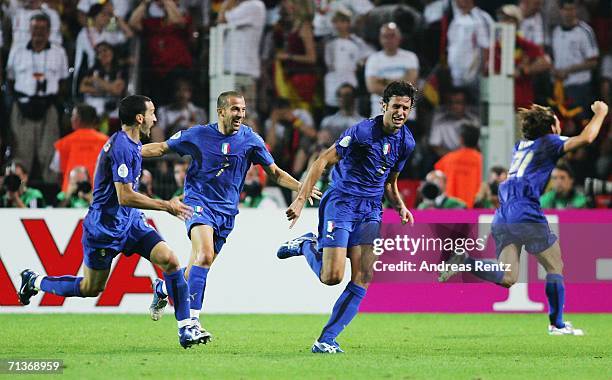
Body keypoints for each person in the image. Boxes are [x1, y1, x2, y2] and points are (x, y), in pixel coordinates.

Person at [18, 95, 205, 349]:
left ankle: (186, 329)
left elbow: (140, 168)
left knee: (170, 261)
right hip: (104, 229)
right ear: (140, 118)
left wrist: (176, 154)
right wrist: (166, 206)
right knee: (89, 288)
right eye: (151, 113)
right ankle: (35, 281)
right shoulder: (121, 148)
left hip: (131, 223)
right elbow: (125, 196)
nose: (155, 118)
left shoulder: (131, 143)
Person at [141, 91, 320, 340]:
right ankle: (190, 323)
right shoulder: (198, 134)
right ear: (221, 111)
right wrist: (128, 153)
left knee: (197, 268)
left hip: (226, 213)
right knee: (203, 255)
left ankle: (163, 287)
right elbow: (161, 148)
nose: (240, 115)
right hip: (198, 203)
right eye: (235, 109)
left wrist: (303, 187)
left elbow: (275, 173)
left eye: (243, 110)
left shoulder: (251, 140)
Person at [441, 101, 609, 335]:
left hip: (503, 213)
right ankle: (557, 324)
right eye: (557, 122)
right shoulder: (549, 142)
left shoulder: (521, 146)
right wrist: (601, 114)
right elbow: (586, 138)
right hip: (525, 210)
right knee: (555, 265)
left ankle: (465, 262)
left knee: (508, 276)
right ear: (552, 127)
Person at [277, 81, 417, 354]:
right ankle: (307, 244)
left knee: (364, 275)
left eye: (406, 108)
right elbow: (322, 161)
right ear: (384, 105)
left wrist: (399, 205)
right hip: (341, 203)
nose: (400, 112)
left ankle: (326, 339)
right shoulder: (363, 131)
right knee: (331, 277)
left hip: (371, 209)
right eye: (396, 106)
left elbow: (390, 181)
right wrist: (301, 198)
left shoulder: (406, 142)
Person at [7, 13, 69, 183]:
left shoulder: (59, 52)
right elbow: (10, 79)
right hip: (22, 105)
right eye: (35, 28)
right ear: (29, 30)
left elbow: (63, 80)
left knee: (49, 152)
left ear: (49, 31)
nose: (39, 32)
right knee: (21, 151)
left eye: (43, 29)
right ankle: (16, 193)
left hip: (48, 106)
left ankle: (51, 195)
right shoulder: (17, 51)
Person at [51, 103, 108, 193]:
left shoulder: (64, 143)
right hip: (99, 195)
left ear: (77, 119)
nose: (71, 119)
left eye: (73, 116)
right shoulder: (107, 142)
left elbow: (58, 174)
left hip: (70, 196)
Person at [365, 23, 419, 118]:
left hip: (406, 116)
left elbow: (410, 84)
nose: (389, 40)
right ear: (380, 39)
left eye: (392, 36)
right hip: (380, 114)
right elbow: (372, 87)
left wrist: (383, 80)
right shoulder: (373, 59)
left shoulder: (410, 57)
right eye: (385, 36)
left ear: (399, 38)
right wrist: (401, 82)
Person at [434, 124, 482, 207]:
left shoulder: (448, 159)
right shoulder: (481, 160)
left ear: (461, 139)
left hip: (450, 207)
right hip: (473, 208)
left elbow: (436, 176)